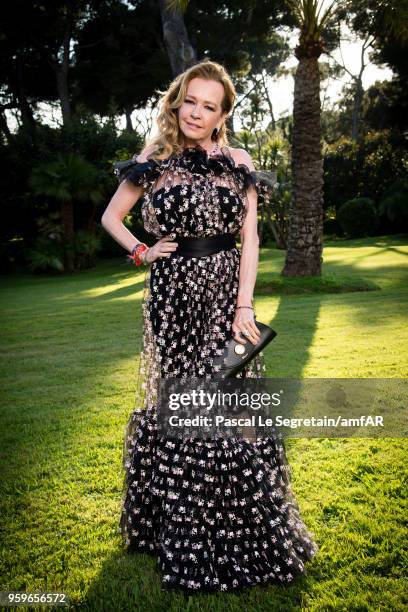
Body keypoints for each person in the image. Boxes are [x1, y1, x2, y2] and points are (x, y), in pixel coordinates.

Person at [101, 59, 318, 593]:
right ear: (176, 102)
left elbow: (251, 240)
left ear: (222, 114)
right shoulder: (155, 158)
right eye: (189, 101)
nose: (196, 112)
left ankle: (242, 527)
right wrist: (142, 252)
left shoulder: (237, 160)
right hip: (173, 298)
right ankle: (183, 530)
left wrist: (244, 308)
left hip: (226, 300)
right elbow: (111, 217)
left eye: (208, 105)